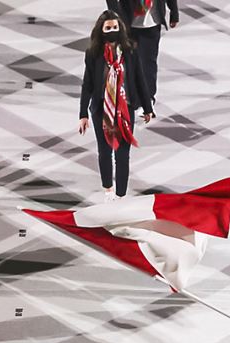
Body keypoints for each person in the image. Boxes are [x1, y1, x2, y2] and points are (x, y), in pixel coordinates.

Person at [79, 10, 153, 202]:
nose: (112, 30)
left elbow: (139, 79)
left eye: (114, 27)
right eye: (108, 28)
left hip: (124, 109)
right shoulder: (93, 54)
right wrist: (83, 114)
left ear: (120, 28)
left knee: (122, 154)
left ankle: (121, 195)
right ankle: (108, 190)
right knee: (104, 151)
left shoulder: (130, 51)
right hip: (101, 109)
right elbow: (87, 85)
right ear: (101, 30)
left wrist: (147, 107)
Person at [106, 0, 179, 106]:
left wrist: (174, 12)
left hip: (152, 23)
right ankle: (131, 97)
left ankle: (148, 98)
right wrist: (116, 17)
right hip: (128, 23)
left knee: (148, 63)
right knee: (128, 63)